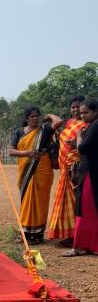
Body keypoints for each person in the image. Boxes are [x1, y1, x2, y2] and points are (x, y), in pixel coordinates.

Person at [8, 107, 61, 244]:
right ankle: (25, 233)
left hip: (43, 169)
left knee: (41, 201)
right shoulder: (19, 132)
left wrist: (49, 114)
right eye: (32, 116)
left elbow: (59, 122)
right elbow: (10, 151)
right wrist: (27, 153)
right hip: (26, 169)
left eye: (37, 116)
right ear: (26, 119)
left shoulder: (45, 129)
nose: (35, 118)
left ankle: (38, 235)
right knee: (27, 199)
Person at [46, 96, 86, 244]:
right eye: (73, 107)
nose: (75, 110)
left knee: (77, 202)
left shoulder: (87, 124)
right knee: (68, 204)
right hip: (65, 169)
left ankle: (77, 235)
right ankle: (69, 234)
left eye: (78, 107)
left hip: (76, 169)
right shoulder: (70, 123)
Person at [62, 99, 98, 256]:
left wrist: (78, 138)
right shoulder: (92, 126)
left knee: (84, 207)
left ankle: (81, 246)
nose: (82, 115)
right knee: (90, 208)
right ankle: (89, 245)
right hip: (90, 169)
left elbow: (82, 148)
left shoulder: (95, 125)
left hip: (90, 171)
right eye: (81, 113)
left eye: (86, 112)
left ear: (95, 112)